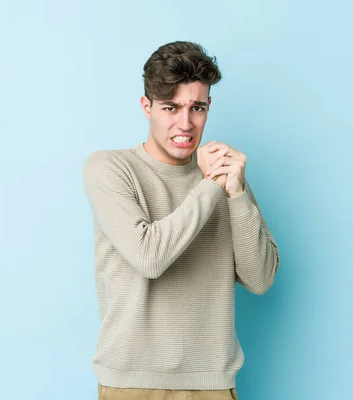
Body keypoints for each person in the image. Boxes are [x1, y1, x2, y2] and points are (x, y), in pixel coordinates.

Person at [82, 41, 280, 400]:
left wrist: (236, 193)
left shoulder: (222, 178)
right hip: (132, 384)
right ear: (147, 107)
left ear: (208, 107)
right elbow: (149, 257)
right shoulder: (109, 168)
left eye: (197, 108)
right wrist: (210, 186)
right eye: (170, 108)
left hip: (214, 385)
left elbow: (261, 279)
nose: (185, 123)